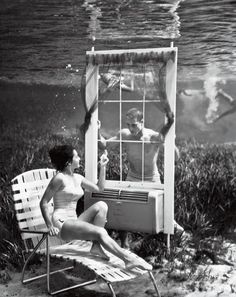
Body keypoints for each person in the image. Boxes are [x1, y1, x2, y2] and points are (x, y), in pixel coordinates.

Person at [40, 144, 152, 271]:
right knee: (100, 232)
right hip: (62, 223)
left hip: (74, 221)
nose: (79, 158)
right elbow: (43, 202)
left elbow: (99, 188)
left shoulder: (78, 178)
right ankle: (128, 260)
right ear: (68, 162)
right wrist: (50, 226)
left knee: (101, 206)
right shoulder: (59, 178)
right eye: (76, 156)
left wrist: (102, 166)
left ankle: (96, 246)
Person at [99, 108, 183, 248]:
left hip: (152, 178)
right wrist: (97, 130)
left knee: (160, 212)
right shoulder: (124, 134)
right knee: (123, 208)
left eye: (134, 124)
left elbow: (175, 157)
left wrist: (171, 143)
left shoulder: (153, 137)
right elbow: (104, 145)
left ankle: (174, 236)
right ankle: (124, 244)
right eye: (128, 124)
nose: (131, 128)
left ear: (142, 122)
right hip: (132, 176)